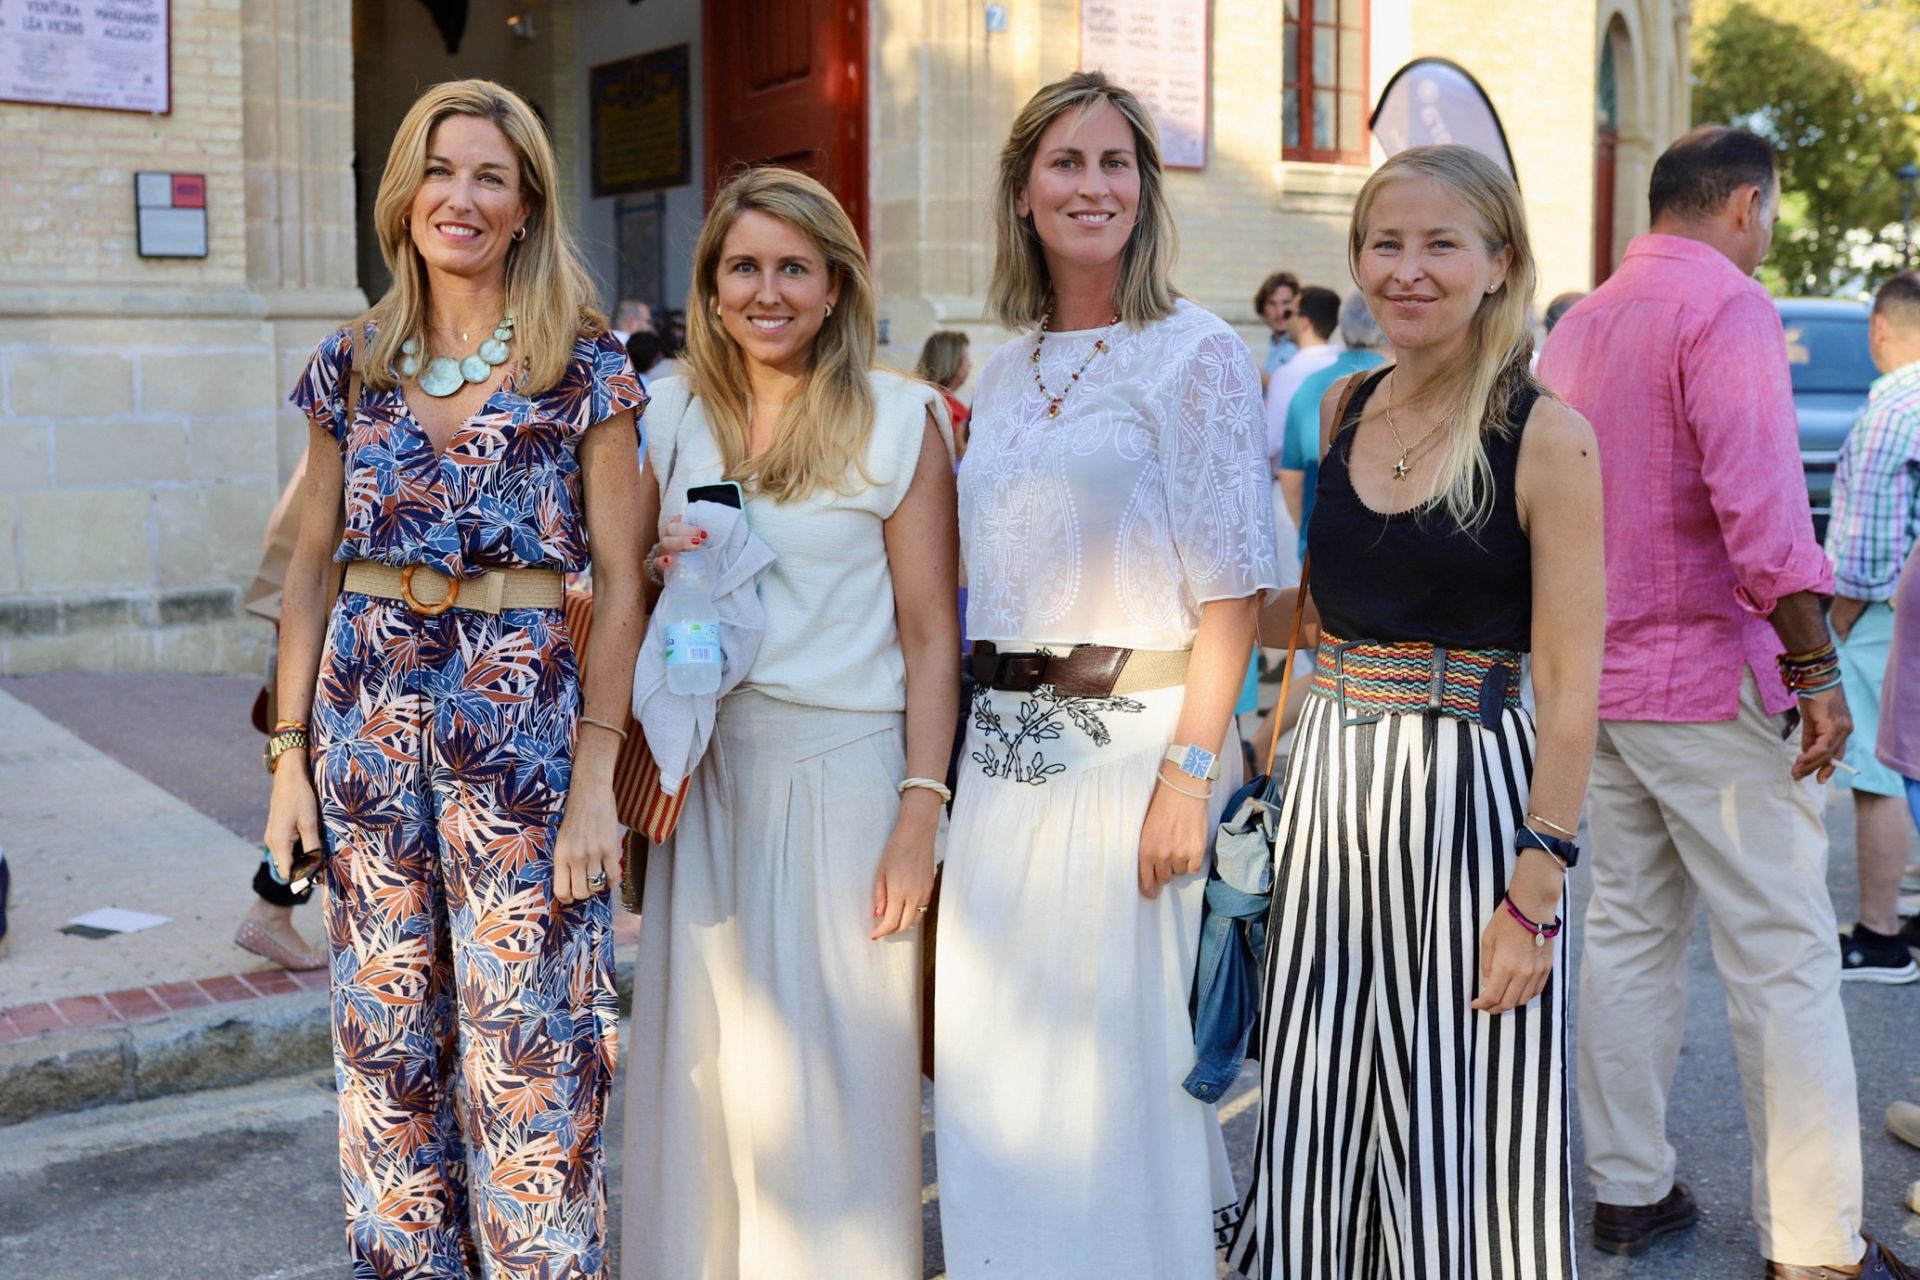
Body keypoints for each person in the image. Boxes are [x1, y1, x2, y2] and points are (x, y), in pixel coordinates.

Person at [264, 79, 646, 1278]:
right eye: (440, 170)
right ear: (403, 195)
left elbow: (625, 586)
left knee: (527, 1056)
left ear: (527, 203)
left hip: (525, 743)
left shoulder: (587, 367)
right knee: (387, 1060)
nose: (461, 197)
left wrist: (597, 777)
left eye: (490, 175)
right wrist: (287, 760)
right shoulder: (352, 363)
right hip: (364, 731)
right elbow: (308, 573)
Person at [1539, 125, 1917, 1279]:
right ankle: (1812, 1246)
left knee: (1628, 936)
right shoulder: (1727, 304)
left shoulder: (1580, 322)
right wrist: (1814, 674)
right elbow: (1761, 507)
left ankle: (1629, 1189)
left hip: (1602, 681)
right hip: (1712, 680)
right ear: (1747, 205)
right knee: (1784, 958)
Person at [1227, 143, 1603, 1280]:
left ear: (1500, 263)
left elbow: (1574, 685)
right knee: (1318, 1092)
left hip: (1474, 802)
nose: (1409, 269)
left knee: (1467, 1123)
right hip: (1331, 795)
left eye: (1442, 243)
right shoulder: (1341, 404)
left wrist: (1536, 887)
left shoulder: (1547, 434)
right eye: (1386, 243)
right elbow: (1316, 615)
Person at [938, 71, 1279, 1278]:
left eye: (1116, 162)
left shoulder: (1195, 355)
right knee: (995, 1070)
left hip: (1137, 753)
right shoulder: (1000, 368)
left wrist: (1191, 773)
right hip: (1001, 762)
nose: (1093, 185)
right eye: (1067, 164)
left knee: (1120, 1078)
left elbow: (1235, 591)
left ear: (1145, 190)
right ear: (1023, 193)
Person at [619, 166, 957, 1280]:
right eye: (744, 267)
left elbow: (925, 635)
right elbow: (611, 586)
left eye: (793, 268)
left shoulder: (901, 419)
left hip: (847, 773)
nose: (768, 291)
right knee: (707, 1068)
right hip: (705, 770)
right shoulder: (666, 411)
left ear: (835, 284)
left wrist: (922, 806)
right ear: (712, 287)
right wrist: (655, 565)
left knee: (838, 1071)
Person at [1826, 270, 1920, 980]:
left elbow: (1866, 550)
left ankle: (1879, 935)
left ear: (1881, 330)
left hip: (1888, 614)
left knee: (1882, 776)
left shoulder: (1893, 410)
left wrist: (1837, 626)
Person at [1277, 289, 1389, 548]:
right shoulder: (1398, 383)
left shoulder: (1309, 386)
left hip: (1319, 546)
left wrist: (1306, 534)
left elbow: (1291, 476)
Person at [1262, 284, 1342, 472]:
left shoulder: (1287, 374)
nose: (1286, 319)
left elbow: (1269, 443)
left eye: (1291, 314)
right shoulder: (1344, 364)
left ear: (1304, 323)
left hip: (1290, 484)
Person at [915, 328, 974, 452]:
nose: (970, 364)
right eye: (965, 358)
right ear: (951, 361)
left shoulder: (921, 397)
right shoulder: (933, 405)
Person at [1253, 269, 1301, 383]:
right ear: (1263, 308)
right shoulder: (1270, 344)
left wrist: (1254, 375)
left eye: (1286, 302)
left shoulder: (1302, 345)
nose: (1280, 312)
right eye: (1272, 304)